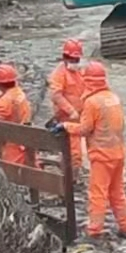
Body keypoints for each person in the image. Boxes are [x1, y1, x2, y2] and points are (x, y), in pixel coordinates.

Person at [60, 60, 126, 240]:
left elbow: (85, 129)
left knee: (98, 193)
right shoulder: (113, 98)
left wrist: (65, 127)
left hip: (102, 155)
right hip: (119, 152)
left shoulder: (92, 102)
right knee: (117, 192)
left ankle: (94, 230)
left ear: (88, 81)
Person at [48, 38, 86, 174]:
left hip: (78, 118)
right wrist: (71, 111)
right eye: (72, 59)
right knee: (73, 151)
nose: (75, 62)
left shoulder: (78, 72)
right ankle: (71, 178)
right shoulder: (59, 74)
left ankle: (71, 174)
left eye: (77, 60)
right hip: (67, 118)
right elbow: (56, 95)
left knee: (75, 150)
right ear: (65, 57)